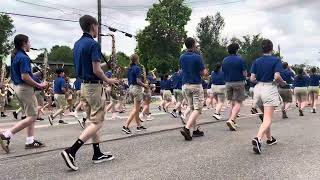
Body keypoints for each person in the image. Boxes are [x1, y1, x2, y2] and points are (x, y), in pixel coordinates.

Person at [61, 15, 118, 171]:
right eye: (97, 27)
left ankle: (97, 153)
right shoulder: (93, 44)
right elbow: (96, 69)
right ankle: (71, 151)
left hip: (84, 87)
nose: (98, 30)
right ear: (93, 26)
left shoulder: (77, 44)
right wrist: (109, 80)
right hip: (93, 87)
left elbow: (89, 68)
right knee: (98, 121)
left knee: (92, 121)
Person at [0, 34, 47, 153]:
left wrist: (36, 78)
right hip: (25, 89)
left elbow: (25, 75)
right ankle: (8, 134)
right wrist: (40, 85)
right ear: (24, 43)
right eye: (29, 42)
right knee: (33, 116)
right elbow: (25, 76)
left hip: (18, 88)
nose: (30, 44)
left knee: (30, 115)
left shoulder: (15, 55)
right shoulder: (24, 58)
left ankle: (30, 141)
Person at [250, 39, 285, 154]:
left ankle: (269, 139)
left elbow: (252, 79)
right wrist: (282, 82)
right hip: (269, 88)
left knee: (265, 117)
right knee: (268, 118)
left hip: (258, 89)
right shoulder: (276, 60)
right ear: (272, 48)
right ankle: (258, 138)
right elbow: (277, 76)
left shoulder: (256, 61)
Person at [179, 37, 205, 141]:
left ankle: (195, 130)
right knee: (198, 109)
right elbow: (203, 72)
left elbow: (183, 69)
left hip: (185, 85)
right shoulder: (197, 57)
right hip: (195, 84)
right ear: (194, 45)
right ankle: (187, 128)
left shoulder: (181, 57)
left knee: (192, 108)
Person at [222, 43, 247, 131]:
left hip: (228, 83)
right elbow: (244, 72)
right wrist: (245, 77)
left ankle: (233, 120)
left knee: (232, 102)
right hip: (238, 82)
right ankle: (231, 120)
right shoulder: (240, 59)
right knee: (238, 102)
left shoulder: (224, 60)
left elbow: (223, 71)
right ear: (237, 50)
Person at [122, 54, 147, 134]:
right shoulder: (137, 68)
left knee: (135, 108)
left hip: (131, 88)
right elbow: (138, 81)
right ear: (137, 60)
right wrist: (145, 85)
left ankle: (138, 125)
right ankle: (126, 126)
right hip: (136, 88)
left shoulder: (129, 68)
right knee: (136, 109)